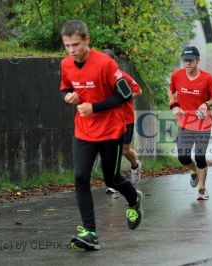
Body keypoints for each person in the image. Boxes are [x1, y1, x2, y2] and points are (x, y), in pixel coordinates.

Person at [59, 20, 143, 250]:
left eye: (75, 44)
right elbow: (66, 87)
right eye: (67, 45)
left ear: (87, 40)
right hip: (84, 130)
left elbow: (125, 95)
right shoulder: (66, 64)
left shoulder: (105, 64)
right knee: (80, 177)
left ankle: (134, 200)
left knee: (111, 179)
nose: (71, 50)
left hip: (110, 131)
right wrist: (68, 97)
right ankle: (90, 232)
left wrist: (94, 107)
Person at [168, 46, 212, 200]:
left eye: (190, 60)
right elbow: (171, 91)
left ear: (197, 60)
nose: (187, 63)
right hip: (185, 123)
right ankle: (193, 171)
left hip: (203, 124)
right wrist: (174, 105)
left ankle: (202, 189)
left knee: (199, 155)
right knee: (183, 157)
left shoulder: (208, 78)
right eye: (185, 60)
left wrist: (206, 104)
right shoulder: (176, 75)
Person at [102, 49, 143, 195]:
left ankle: (135, 165)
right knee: (113, 150)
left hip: (126, 120)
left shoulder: (122, 77)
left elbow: (138, 91)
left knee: (125, 150)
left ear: (114, 62)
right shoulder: (100, 79)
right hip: (111, 121)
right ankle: (113, 182)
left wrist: (124, 98)